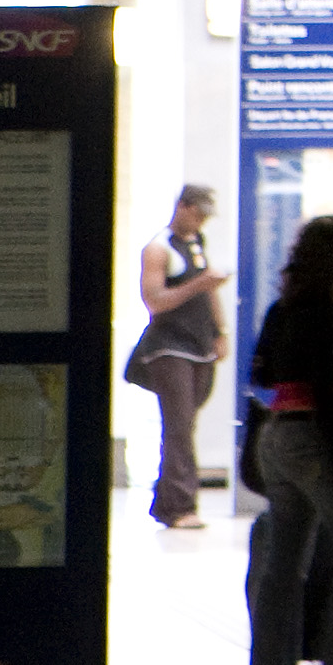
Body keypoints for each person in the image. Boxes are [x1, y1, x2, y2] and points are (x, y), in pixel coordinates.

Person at [244, 214, 333, 665]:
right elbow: (328, 395)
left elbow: (262, 369)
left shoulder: (285, 306)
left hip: (275, 435)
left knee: (282, 567)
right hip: (315, 438)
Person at [126, 182, 224, 531]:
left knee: (186, 426)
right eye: (197, 213)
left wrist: (219, 330)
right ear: (182, 206)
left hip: (199, 346)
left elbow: (210, 291)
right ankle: (181, 505)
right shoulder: (158, 249)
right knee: (178, 426)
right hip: (169, 347)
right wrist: (197, 285)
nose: (200, 222)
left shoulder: (196, 244)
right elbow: (154, 300)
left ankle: (166, 499)